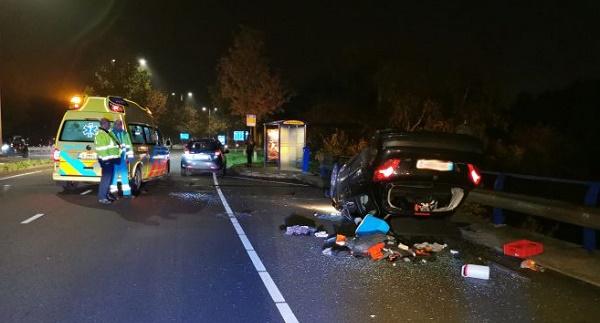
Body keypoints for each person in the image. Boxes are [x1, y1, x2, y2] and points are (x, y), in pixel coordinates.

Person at [94, 118, 121, 204]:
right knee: (105, 179)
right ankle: (102, 197)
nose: (110, 125)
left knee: (108, 179)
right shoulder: (100, 134)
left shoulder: (106, 133)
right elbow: (102, 149)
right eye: (108, 124)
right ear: (104, 124)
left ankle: (106, 194)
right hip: (106, 161)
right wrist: (106, 160)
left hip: (110, 160)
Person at [110, 120, 134, 197]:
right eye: (117, 124)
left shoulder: (125, 134)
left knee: (124, 176)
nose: (119, 126)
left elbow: (129, 146)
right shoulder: (111, 134)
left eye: (120, 124)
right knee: (114, 176)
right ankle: (114, 193)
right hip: (115, 158)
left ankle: (126, 193)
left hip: (123, 158)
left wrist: (129, 157)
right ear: (114, 125)